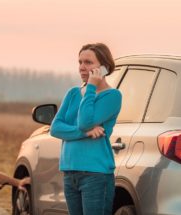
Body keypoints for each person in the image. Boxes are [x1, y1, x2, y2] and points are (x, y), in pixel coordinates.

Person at [50, 43, 122, 215]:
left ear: (104, 67)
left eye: (88, 62)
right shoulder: (73, 93)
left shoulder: (112, 96)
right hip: (70, 173)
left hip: (95, 175)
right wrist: (86, 132)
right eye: (80, 62)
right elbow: (55, 128)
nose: (82, 67)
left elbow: (84, 121)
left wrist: (91, 87)